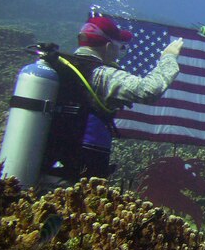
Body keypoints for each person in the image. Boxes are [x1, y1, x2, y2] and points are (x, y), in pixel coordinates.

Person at [39, 15, 183, 187]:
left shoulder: (59, 67)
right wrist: (168, 57)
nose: (120, 53)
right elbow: (149, 90)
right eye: (119, 47)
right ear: (108, 47)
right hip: (75, 180)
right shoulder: (101, 74)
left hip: (44, 168)